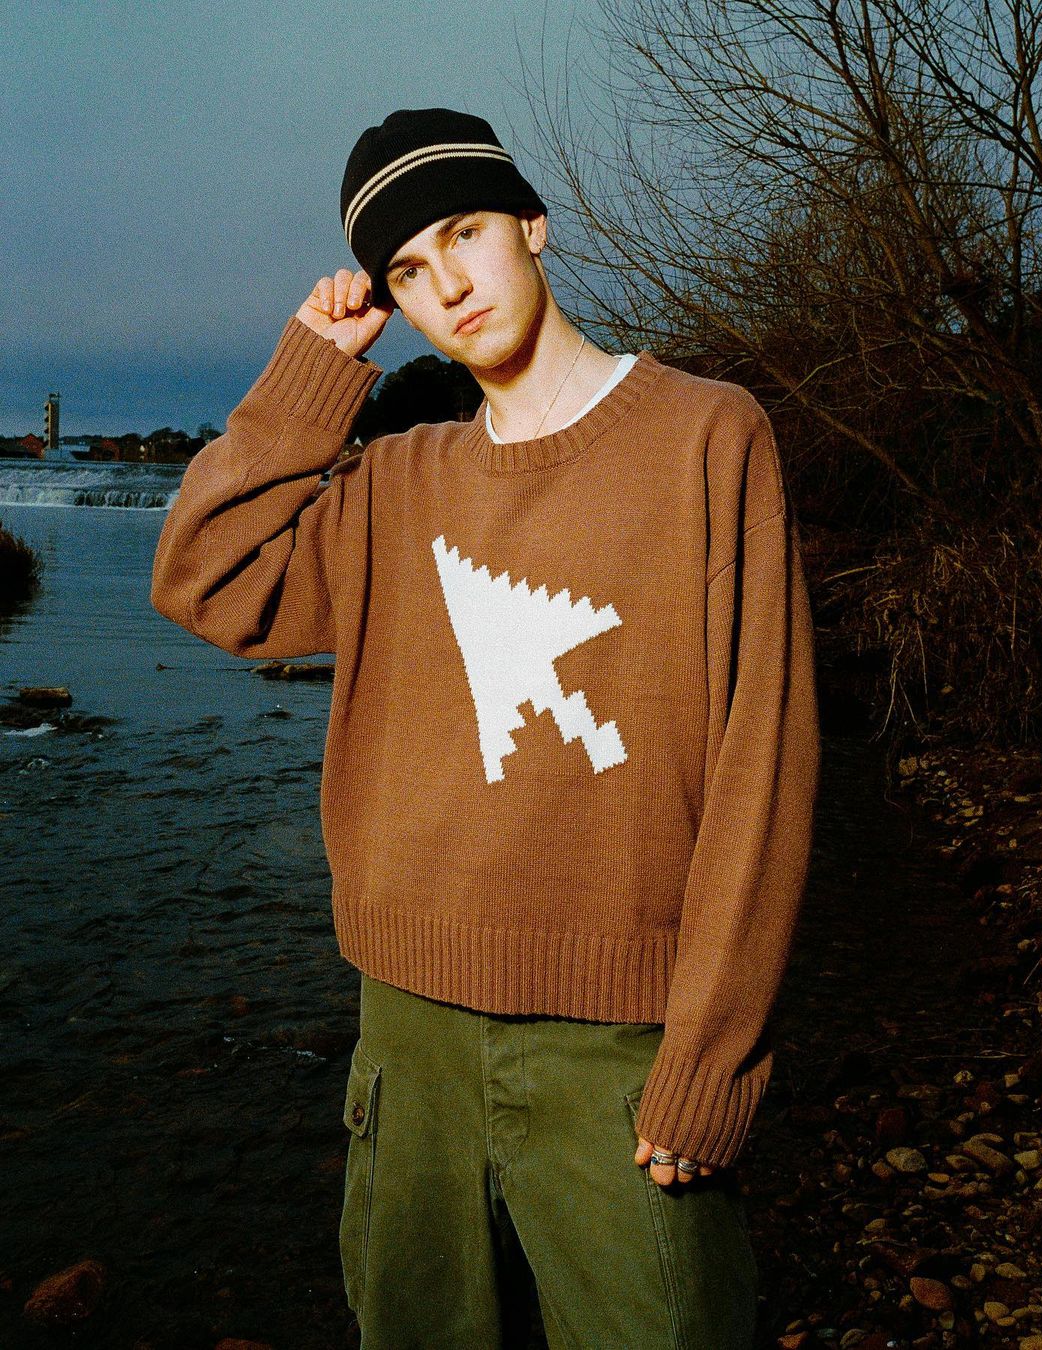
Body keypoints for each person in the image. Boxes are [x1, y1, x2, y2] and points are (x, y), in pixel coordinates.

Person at [150, 106, 821, 1348]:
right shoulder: (397, 483)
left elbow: (764, 768)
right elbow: (206, 579)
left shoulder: (707, 435)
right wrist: (310, 377)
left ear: (532, 225)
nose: (448, 285)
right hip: (406, 1042)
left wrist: (712, 1062)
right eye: (408, 270)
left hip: (621, 1048)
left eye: (463, 233)